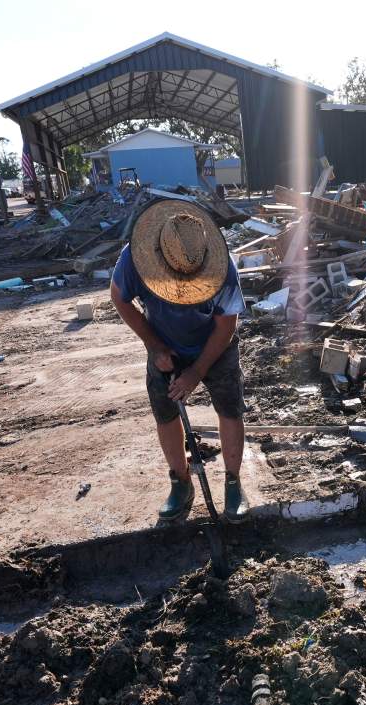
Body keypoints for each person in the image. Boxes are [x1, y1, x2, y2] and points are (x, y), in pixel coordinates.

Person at [109, 199, 250, 523]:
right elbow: (119, 298)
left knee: (230, 409)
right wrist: (155, 346)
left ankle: (232, 482)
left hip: (215, 344)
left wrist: (197, 372)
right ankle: (181, 482)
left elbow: (226, 326)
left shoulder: (223, 268)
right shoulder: (134, 258)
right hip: (163, 344)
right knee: (165, 412)